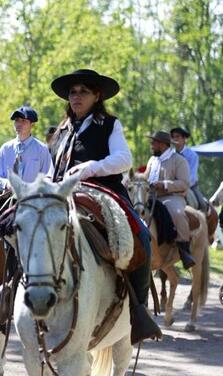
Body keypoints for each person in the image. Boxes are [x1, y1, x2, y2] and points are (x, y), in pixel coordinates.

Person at [50, 68, 161, 343]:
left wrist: (93, 167)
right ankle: (11, 294)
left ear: (97, 96)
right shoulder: (62, 130)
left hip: (103, 191)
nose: (76, 96)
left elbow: (124, 159)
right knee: (22, 224)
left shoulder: (110, 125)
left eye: (83, 92)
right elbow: (53, 167)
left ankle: (138, 312)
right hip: (62, 192)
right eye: (73, 92)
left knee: (143, 236)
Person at [144, 130, 195, 269]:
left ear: (162, 144)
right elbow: (145, 177)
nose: (151, 145)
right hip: (150, 196)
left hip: (171, 197)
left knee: (178, 213)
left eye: (153, 142)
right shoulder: (152, 160)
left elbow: (184, 183)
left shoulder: (179, 160)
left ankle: (184, 250)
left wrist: (164, 184)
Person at [0, 105, 54, 191]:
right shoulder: (5, 149)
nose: (19, 124)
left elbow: (49, 176)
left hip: (32, 199)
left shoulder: (42, 149)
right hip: (8, 198)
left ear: (32, 125)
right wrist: (7, 183)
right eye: (17, 120)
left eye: (23, 121)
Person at [171, 126, 207, 211]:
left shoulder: (192, 155)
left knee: (202, 205)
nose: (175, 139)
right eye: (173, 137)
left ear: (184, 139)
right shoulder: (170, 155)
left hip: (190, 186)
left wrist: (182, 186)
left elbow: (192, 176)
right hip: (172, 187)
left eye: (178, 136)